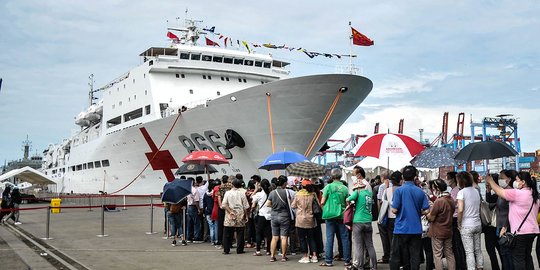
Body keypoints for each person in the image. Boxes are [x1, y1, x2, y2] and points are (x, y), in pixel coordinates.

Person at [487, 171, 539, 270]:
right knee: (527, 257)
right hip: (532, 231)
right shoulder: (534, 194)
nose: (515, 182)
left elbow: (499, 192)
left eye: (517, 180)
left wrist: (491, 181)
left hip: (520, 233)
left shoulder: (518, 193)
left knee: (518, 259)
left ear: (523, 182)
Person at [389, 166, 430, 270]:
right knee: (415, 255)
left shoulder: (399, 191)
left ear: (403, 176)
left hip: (400, 228)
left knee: (396, 255)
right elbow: (426, 210)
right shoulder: (420, 192)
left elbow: (394, 210)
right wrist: (417, 211)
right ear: (415, 177)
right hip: (415, 228)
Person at [320, 168, 351, 267]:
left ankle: (328, 261)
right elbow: (347, 203)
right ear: (340, 176)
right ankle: (347, 260)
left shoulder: (328, 187)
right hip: (342, 216)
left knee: (330, 238)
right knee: (345, 238)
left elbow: (322, 202)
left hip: (330, 216)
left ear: (332, 176)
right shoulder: (345, 188)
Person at [347, 178, 377, 270]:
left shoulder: (358, 192)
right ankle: (374, 266)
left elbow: (348, 199)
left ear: (358, 187)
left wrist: (351, 204)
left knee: (359, 246)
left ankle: (359, 266)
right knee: (370, 245)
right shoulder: (369, 193)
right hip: (368, 221)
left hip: (358, 221)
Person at [456, 171, 483, 270]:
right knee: (478, 249)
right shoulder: (476, 191)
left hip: (466, 225)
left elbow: (460, 209)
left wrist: (459, 223)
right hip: (477, 223)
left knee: (469, 252)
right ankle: (480, 267)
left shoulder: (461, 192)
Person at [427, 179, 455, 270]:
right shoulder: (451, 199)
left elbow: (431, 217)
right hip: (448, 230)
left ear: (437, 189)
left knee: (437, 254)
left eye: (434, 188)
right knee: (449, 253)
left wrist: (427, 212)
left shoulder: (439, 201)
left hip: (437, 231)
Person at [266, 175, 295, 262]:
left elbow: (268, 204)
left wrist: (274, 206)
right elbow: (291, 204)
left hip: (274, 216)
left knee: (274, 237)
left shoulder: (272, 192)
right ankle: (283, 256)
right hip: (284, 216)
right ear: (285, 183)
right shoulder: (287, 192)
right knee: (284, 237)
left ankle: (272, 256)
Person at [291, 179, 318, 264]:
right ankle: (314, 256)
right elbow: (318, 205)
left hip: (300, 219)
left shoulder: (298, 194)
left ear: (302, 186)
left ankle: (305, 256)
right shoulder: (313, 194)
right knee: (311, 238)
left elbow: (293, 205)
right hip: (311, 219)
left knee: (302, 238)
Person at [221, 177, 250, 255]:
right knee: (240, 233)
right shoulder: (242, 193)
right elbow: (245, 206)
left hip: (229, 216)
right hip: (240, 215)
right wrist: (246, 215)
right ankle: (239, 249)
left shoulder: (227, 193)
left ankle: (226, 250)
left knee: (227, 233)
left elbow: (224, 205)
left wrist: (230, 211)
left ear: (232, 185)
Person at [496, 170, 515, 270]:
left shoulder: (509, 192)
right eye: (499, 178)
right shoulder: (502, 191)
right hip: (500, 224)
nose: (500, 180)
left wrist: (505, 226)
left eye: (502, 178)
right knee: (504, 253)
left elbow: (511, 211)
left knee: (507, 253)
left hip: (506, 226)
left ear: (509, 179)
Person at [447, 171, 467, 270]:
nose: (447, 180)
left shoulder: (456, 191)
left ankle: (461, 265)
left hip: (455, 218)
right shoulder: (454, 190)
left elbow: (455, 205)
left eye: (448, 178)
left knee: (457, 244)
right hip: (455, 218)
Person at [484, 174, 501, 270]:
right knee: (496, 250)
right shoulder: (499, 192)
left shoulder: (498, 194)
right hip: (495, 225)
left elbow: (490, 203)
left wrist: (488, 190)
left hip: (493, 225)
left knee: (492, 250)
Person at [251, 179, 272, 256]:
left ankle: (258, 251)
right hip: (270, 216)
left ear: (261, 186)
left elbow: (251, 197)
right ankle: (268, 250)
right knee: (269, 234)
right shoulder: (271, 193)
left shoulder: (259, 194)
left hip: (261, 216)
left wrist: (256, 189)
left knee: (259, 233)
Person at [377, 171, 391, 264]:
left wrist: (380, 215)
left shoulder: (382, 186)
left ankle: (386, 256)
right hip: (393, 215)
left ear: (382, 177)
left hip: (385, 214)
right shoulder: (395, 185)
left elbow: (380, 201)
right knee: (392, 237)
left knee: (384, 237)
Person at [216, 175, 232, 248]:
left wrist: (220, 205)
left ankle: (221, 242)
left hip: (222, 208)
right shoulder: (231, 186)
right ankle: (230, 242)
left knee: (221, 226)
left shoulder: (220, 187)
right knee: (230, 225)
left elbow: (219, 197)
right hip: (230, 207)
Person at [186, 177, 202, 243]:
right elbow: (196, 201)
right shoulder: (195, 190)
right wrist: (199, 209)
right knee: (196, 223)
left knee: (190, 223)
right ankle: (196, 237)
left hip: (189, 206)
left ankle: (189, 237)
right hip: (193, 207)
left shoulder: (187, 190)